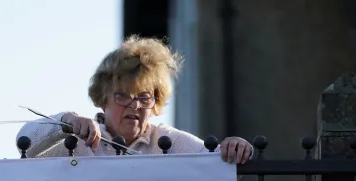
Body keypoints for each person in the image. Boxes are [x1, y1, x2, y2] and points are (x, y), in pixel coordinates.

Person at [16, 35, 253, 164]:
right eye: (123, 96)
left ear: (156, 101)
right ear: (102, 99)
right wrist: (66, 122)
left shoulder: (168, 142)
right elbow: (25, 145)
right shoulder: (76, 143)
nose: (135, 105)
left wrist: (236, 147)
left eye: (144, 97)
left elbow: (216, 166)